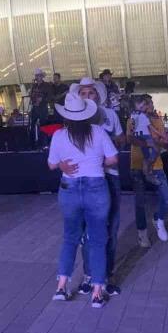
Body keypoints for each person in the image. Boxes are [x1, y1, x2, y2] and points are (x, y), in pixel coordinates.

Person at [47, 93, 118, 308]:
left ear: (67, 116)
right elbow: (113, 158)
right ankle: (97, 293)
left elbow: (51, 164)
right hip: (96, 187)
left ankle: (61, 288)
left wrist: (62, 166)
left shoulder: (59, 135)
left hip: (69, 188)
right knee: (97, 240)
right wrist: (98, 165)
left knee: (70, 238)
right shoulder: (98, 131)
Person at [70, 78, 124, 296]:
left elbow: (121, 139)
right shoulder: (73, 120)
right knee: (86, 231)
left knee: (109, 228)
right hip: (84, 180)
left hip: (109, 177)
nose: (88, 97)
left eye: (91, 93)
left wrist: (108, 144)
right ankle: (89, 276)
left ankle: (105, 276)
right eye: (83, 93)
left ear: (97, 96)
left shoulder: (109, 115)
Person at [127, 94, 168, 246]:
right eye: (146, 104)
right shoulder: (133, 119)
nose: (149, 107)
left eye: (150, 104)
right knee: (140, 202)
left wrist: (165, 141)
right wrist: (150, 143)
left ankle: (158, 219)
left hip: (157, 165)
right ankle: (142, 233)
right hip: (137, 165)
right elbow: (130, 139)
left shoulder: (157, 119)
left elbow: (163, 142)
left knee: (166, 198)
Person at [130, 96, 161, 186]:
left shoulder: (154, 119)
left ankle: (148, 169)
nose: (151, 106)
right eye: (148, 104)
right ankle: (147, 168)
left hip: (155, 165)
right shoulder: (136, 118)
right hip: (137, 164)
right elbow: (130, 138)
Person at [29, 68, 53, 147]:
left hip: (43, 108)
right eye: (36, 75)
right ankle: (32, 143)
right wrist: (32, 97)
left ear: (42, 76)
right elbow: (31, 96)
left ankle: (44, 143)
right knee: (32, 125)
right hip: (35, 108)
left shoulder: (46, 85)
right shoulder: (34, 85)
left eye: (39, 75)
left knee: (43, 126)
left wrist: (42, 99)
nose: (37, 77)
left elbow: (50, 97)